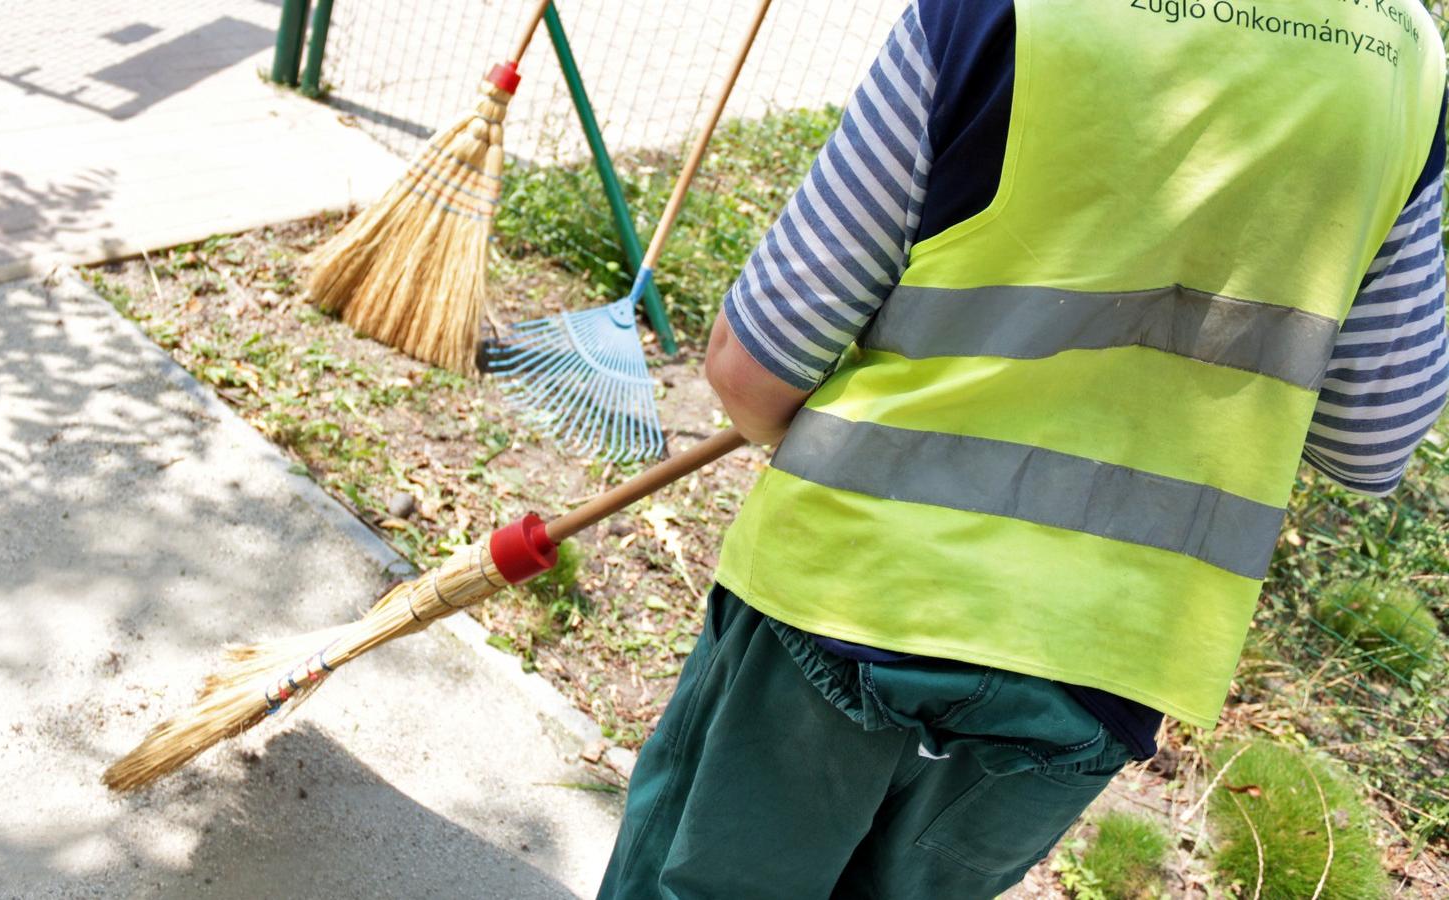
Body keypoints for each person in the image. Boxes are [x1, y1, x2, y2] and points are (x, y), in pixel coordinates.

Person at [598, 1, 1449, 897]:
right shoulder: (1403, 62)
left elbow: (752, 367)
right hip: (1102, 667)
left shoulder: (998, 10)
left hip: (850, 598)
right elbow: (1374, 441)